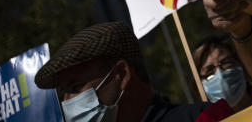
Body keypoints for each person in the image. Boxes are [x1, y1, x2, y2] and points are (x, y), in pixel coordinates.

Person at [35, 21, 231, 122]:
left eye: (75, 87)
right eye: (64, 92)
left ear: (120, 75)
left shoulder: (202, 118)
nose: (66, 102)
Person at [193, 35, 252, 111]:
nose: (220, 74)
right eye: (209, 71)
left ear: (243, 67)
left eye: (226, 63)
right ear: (200, 86)